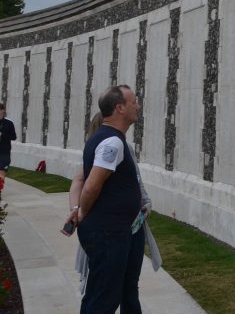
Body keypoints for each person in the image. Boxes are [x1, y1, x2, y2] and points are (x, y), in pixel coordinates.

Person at [63, 112, 162, 296]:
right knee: (104, 290)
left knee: (128, 287)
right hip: (110, 231)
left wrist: (145, 205)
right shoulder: (107, 147)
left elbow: (136, 182)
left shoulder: (122, 147)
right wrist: (78, 210)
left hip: (132, 227)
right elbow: (83, 183)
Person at [75, 85, 146, 313]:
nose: (138, 106)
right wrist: (82, 211)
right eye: (134, 102)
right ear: (120, 108)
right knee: (103, 299)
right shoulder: (112, 143)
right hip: (108, 233)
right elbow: (90, 186)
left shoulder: (107, 139)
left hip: (117, 231)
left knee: (114, 292)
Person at [0, 103, 18, 192]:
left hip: (4, 151)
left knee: (2, 171)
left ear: (3, 111)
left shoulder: (9, 123)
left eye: (0, 109)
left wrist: (3, 135)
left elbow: (14, 137)